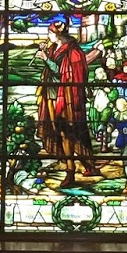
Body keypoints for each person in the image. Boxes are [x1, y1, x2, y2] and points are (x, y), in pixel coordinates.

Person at [36, 20, 100, 187]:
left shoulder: (73, 52)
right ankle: (82, 165)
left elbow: (60, 72)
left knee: (68, 131)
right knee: (60, 131)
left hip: (66, 97)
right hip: (51, 95)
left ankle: (71, 172)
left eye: (50, 33)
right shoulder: (53, 48)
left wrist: (45, 59)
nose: (48, 36)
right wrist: (45, 53)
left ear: (59, 35)